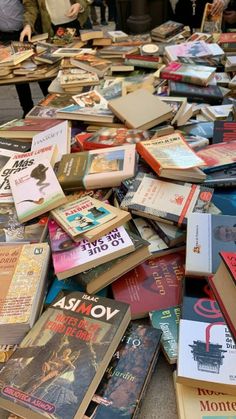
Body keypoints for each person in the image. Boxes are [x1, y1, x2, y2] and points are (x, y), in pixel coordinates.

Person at [0, 0, 50, 117]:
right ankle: (27, 109)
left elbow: (30, 6)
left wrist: (29, 25)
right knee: (17, 74)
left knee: (39, 68)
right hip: (5, 36)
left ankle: (50, 103)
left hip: (26, 32)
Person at [20, 0, 90, 42]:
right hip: (53, 27)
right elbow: (30, 6)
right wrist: (28, 25)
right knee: (62, 58)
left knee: (81, 55)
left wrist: (80, 4)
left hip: (77, 22)